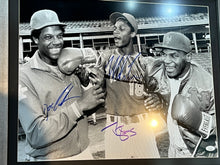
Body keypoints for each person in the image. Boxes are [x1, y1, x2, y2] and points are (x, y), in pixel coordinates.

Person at [18, 9, 105, 161]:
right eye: (48, 37)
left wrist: (90, 86)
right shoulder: (24, 76)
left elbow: (88, 109)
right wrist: (79, 106)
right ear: (35, 39)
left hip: (84, 152)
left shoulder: (70, 66)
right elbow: (36, 135)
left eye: (59, 36)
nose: (56, 42)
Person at [96, 12, 165, 159]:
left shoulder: (146, 63)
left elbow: (159, 92)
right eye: (114, 29)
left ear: (133, 32)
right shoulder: (106, 59)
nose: (115, 32)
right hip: (115, 127)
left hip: (142, 126)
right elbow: (98, 93)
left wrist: (157, 98)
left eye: (121, 29)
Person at [151, 32, 217, 158]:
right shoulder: (161, 75)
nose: (167, 61)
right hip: (172, 149)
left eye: (174, 56)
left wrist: (200, 121)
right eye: (164, 54)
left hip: (196, 152)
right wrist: (156, 101)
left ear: (189, 57)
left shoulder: (208, 83)